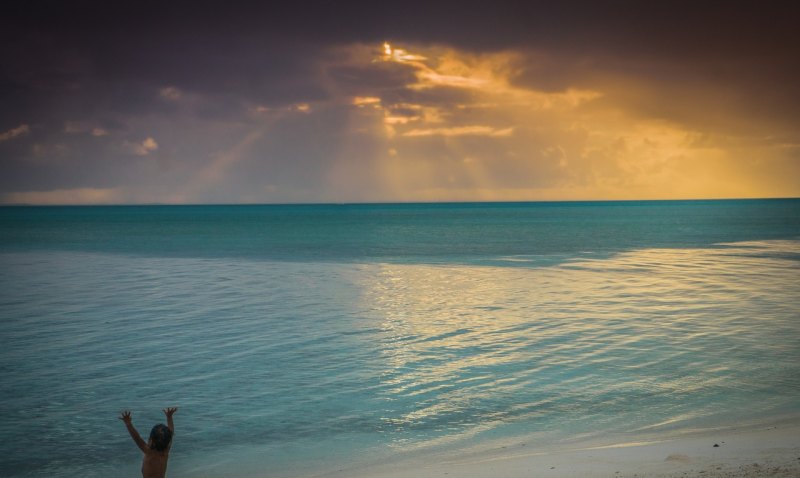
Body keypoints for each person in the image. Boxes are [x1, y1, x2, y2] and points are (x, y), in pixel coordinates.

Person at [119, 407, 178, 478]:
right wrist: (169, 417)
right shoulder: (166, 451)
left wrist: (128, 423)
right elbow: (171, 433)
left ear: (151, 440)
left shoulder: (149, 452)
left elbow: (137, 438)